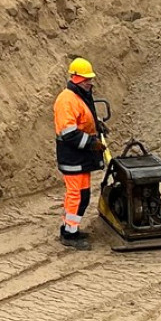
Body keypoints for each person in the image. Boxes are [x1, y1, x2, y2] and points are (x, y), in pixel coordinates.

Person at [52, 58, 106, 249]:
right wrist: (92, 143)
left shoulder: (81, 95)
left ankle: (71, 228)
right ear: (75, 78)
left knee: (82, 194)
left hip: (80, 157)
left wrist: (97, 125)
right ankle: (69, 234)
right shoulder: (67, 100)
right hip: (73, 157)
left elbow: (85, 118)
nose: (90, 82)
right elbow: (69, 134)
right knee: (76, 195)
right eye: (86, 79)